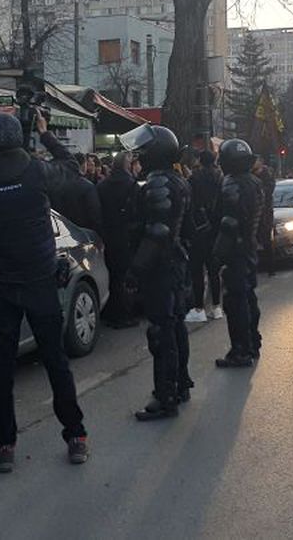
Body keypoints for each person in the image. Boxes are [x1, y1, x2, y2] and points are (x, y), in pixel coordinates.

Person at [0, 112, 88, 472]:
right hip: (40, 281)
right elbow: (72, 168)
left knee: (2, 370)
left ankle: (4, 446)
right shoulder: (36, 172)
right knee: (55, 362)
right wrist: (46, 135)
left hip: (1, 285)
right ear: (19, 140)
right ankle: (76, 435)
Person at [119, 125, 193, 421]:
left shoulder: (159, 182)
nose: (140, 155)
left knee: (161, 331)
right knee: (174, 326)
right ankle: (180, 384)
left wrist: (136, 270)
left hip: (161, 266)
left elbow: (157, 231)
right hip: (174, 262)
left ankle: (166, 397)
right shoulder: (177, 180)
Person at [213, 138, 264, 366]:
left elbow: (229, 224)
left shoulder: (232, 183)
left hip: (236, 250)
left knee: (235, 300)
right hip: (249, 247)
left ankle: (240, 350)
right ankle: (253, 342)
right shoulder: (255, 182)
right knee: (248, 296)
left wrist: (217, 256)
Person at [95, 151, 140, 329]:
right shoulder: (131, 185)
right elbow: (137, 212)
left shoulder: (102, 185)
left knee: (113, 274)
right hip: (126, 235)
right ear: (127, 165)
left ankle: (112, 312)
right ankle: (124, 314)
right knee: (124, 276)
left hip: (108, 234)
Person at [186, 149, 223, 322]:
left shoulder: (194, 178)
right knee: (214, 271)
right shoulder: (220, 178)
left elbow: (189, 203)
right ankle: (216, 307)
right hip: (216, 229)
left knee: (197, 271)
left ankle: (199, 307)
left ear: (200, 160)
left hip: (199, 228)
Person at [51, 153, 103, 231]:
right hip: (84, 231)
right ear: (83, 165)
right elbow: (94, 214)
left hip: (62, 230)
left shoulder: (56, 185)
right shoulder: (87, 186)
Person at [252, 157, 276, 277]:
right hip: (254, 213)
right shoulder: (250, 175)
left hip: (265, 214)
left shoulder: (267, 175)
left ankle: (271, 268)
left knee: (267, 242)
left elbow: (267, 191)